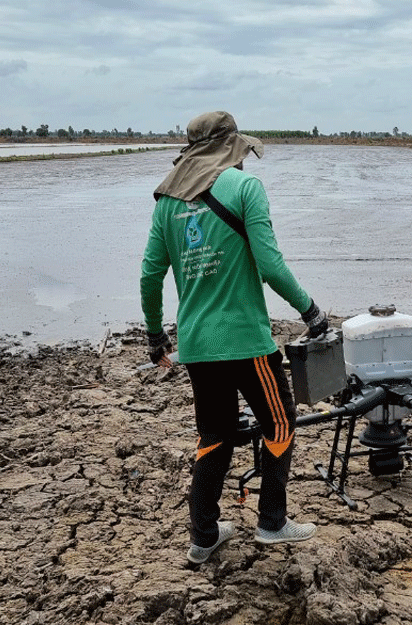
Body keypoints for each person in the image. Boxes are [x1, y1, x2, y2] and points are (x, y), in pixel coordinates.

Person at [140, 111, 329, 564]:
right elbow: (271, 266)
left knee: (214, 436)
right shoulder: (246, 189)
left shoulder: (167, 201)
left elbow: (150, 274)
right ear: (231, 150)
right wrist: (311, 312)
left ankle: (203, 535)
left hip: (198, 348)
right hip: (246, 342)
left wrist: (155, 336)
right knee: (280, 422)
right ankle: (272, 522)